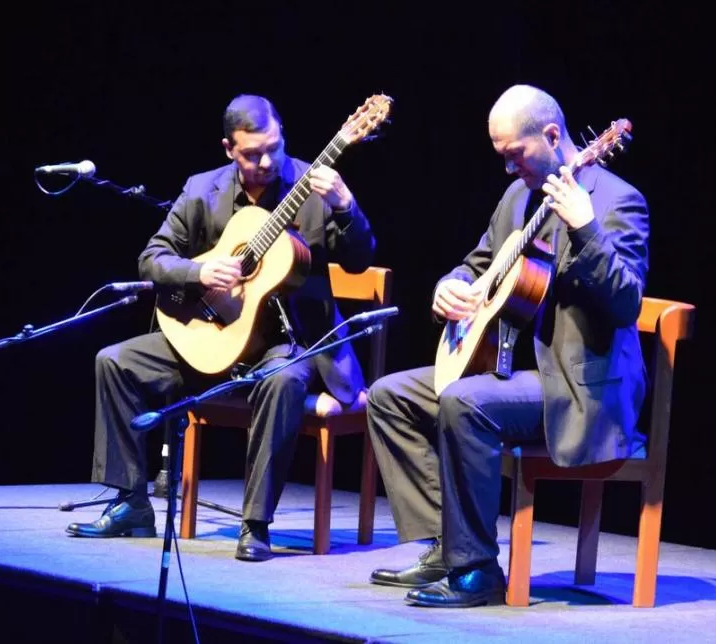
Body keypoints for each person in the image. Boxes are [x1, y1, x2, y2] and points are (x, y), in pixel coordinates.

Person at [364, 84, 650, 607]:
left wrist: (585, 228)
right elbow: (477, 265)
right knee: (389, 395)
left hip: (576, 388)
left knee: (463, 401)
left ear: (552, 136)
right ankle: (447, 546)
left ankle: (476, 570)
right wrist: (449, 286)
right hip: (507, 371)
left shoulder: (617, 201)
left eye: (515, 154)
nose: (508, 167)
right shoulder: (518, 197)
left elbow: (627, 302)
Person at [65, 94, 376, 563]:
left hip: (285, 341)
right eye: (252, 154)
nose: (266, 162)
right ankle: (131, 503)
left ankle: (255, 524)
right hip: (212, 336)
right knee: (115, 362)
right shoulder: (201, 190)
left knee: (283, 380)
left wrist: (346, 206)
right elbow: (152, 259)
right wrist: (200, 272)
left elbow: (359, 259)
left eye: (274, 148)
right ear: (229, 148)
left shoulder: (313, 188)